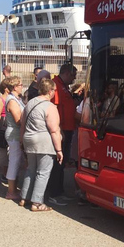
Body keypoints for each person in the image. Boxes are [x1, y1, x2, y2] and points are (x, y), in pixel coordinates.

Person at [18, 78, 63, 212]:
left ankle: (24, 197)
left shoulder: (30, 103)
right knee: (43, 172)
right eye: (54, 90)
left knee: (31, 169)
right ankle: (37, 202)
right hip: (44, 142)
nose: (55, 92)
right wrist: (59, 150)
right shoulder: (50, 107)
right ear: (50, 91)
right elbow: (54, 130)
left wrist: (22, 141)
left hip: (29, 139)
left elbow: (22, 124)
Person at [46, 64, 78, 206]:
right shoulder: (57, 85)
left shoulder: (63, 86)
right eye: (72, 75)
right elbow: (56, 110)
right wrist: (59, 129)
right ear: (66, 73)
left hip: (68, 128)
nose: (74, 78)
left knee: (62, 163)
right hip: (62, 130)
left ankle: (59, 191)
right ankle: (53, 193)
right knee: (57, 163)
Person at [4, 76, 25, 201]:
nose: (22, 87)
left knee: (16, 161)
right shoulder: (12, 101)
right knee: (14, 161)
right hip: (14, 134)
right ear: (15, 87)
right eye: (21, 85)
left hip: (17, 134)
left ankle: (13, 188)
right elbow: (18, 120)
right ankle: (11, 191)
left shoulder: (17, 99)